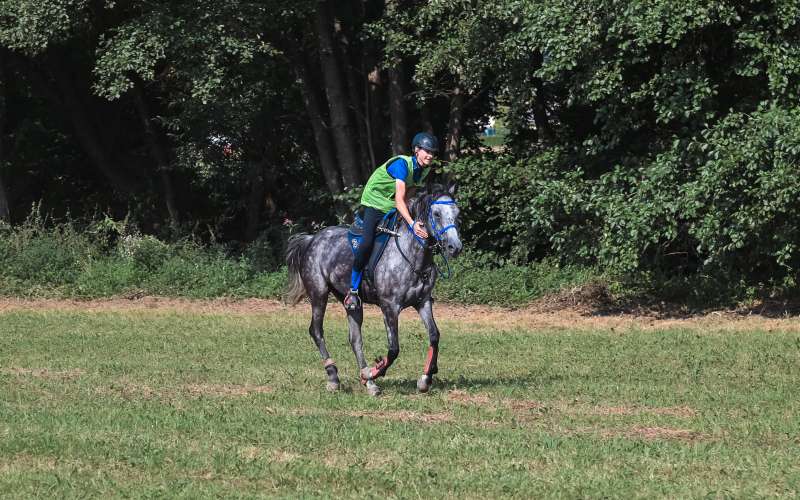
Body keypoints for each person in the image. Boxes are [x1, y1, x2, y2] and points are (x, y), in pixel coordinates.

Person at [344, 132, 438, 310]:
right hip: (374, 202)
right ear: (416, 150)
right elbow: (399, 198)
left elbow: (409, 193)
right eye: (427, 151)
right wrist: (411, 223)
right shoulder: (401, 165)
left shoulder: (424, 169)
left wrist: (408, 216)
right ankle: (354, 290)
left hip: (392, 204)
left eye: (433, 153)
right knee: (366, 244)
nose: (430, 156)